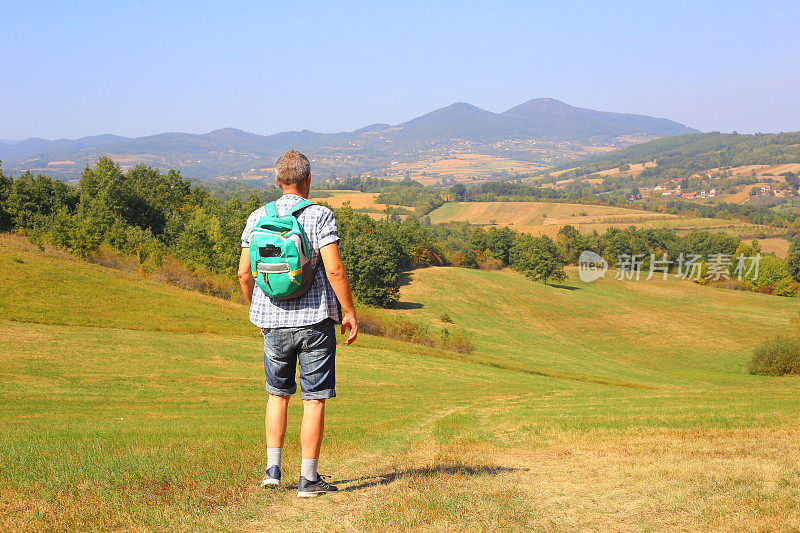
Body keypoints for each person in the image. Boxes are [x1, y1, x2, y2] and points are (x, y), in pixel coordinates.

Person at [237, 149, 358, 497]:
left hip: (272, 321)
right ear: (308, 181)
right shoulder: (320, 215)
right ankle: (308, 479)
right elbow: (334, 269)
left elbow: (245, 272)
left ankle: (272, 472)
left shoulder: (257, 216)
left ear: (277, 182)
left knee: (277, 395)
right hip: (316, 319)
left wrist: (255, 310)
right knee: (314, 399)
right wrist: (348, 312)